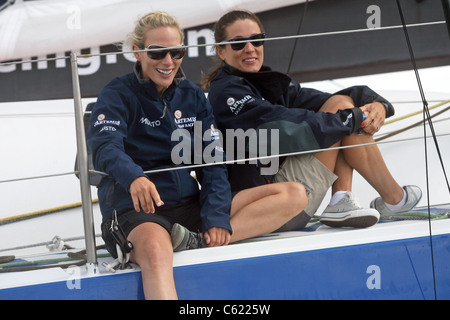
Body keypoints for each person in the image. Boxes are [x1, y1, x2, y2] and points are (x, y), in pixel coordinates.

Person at [87, 11, 307, 300]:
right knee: (156, 250)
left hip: (187, 208)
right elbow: (105, 147)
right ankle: (188, 240)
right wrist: (134, 177)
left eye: (177, 52)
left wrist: (216, 217)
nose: (168, 62)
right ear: (138, 53)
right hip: (137, 210)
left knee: (294, 194)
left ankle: (196, 241)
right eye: (158, 53)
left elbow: (213, 161)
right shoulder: (116, 93)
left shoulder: (192, 95)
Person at [203, 10, 422, 230]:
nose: (250, 48)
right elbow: (278, 127)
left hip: (284, 192)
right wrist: (347, 120)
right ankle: (394, 199)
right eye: (238, 43)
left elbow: (328, 100)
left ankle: (344, 199)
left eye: (257, 40)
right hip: (270, 205)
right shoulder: (226, 92)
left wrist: (376, 103)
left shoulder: (267, 83)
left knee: (342, 106)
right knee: (342, 115)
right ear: (221, 51)